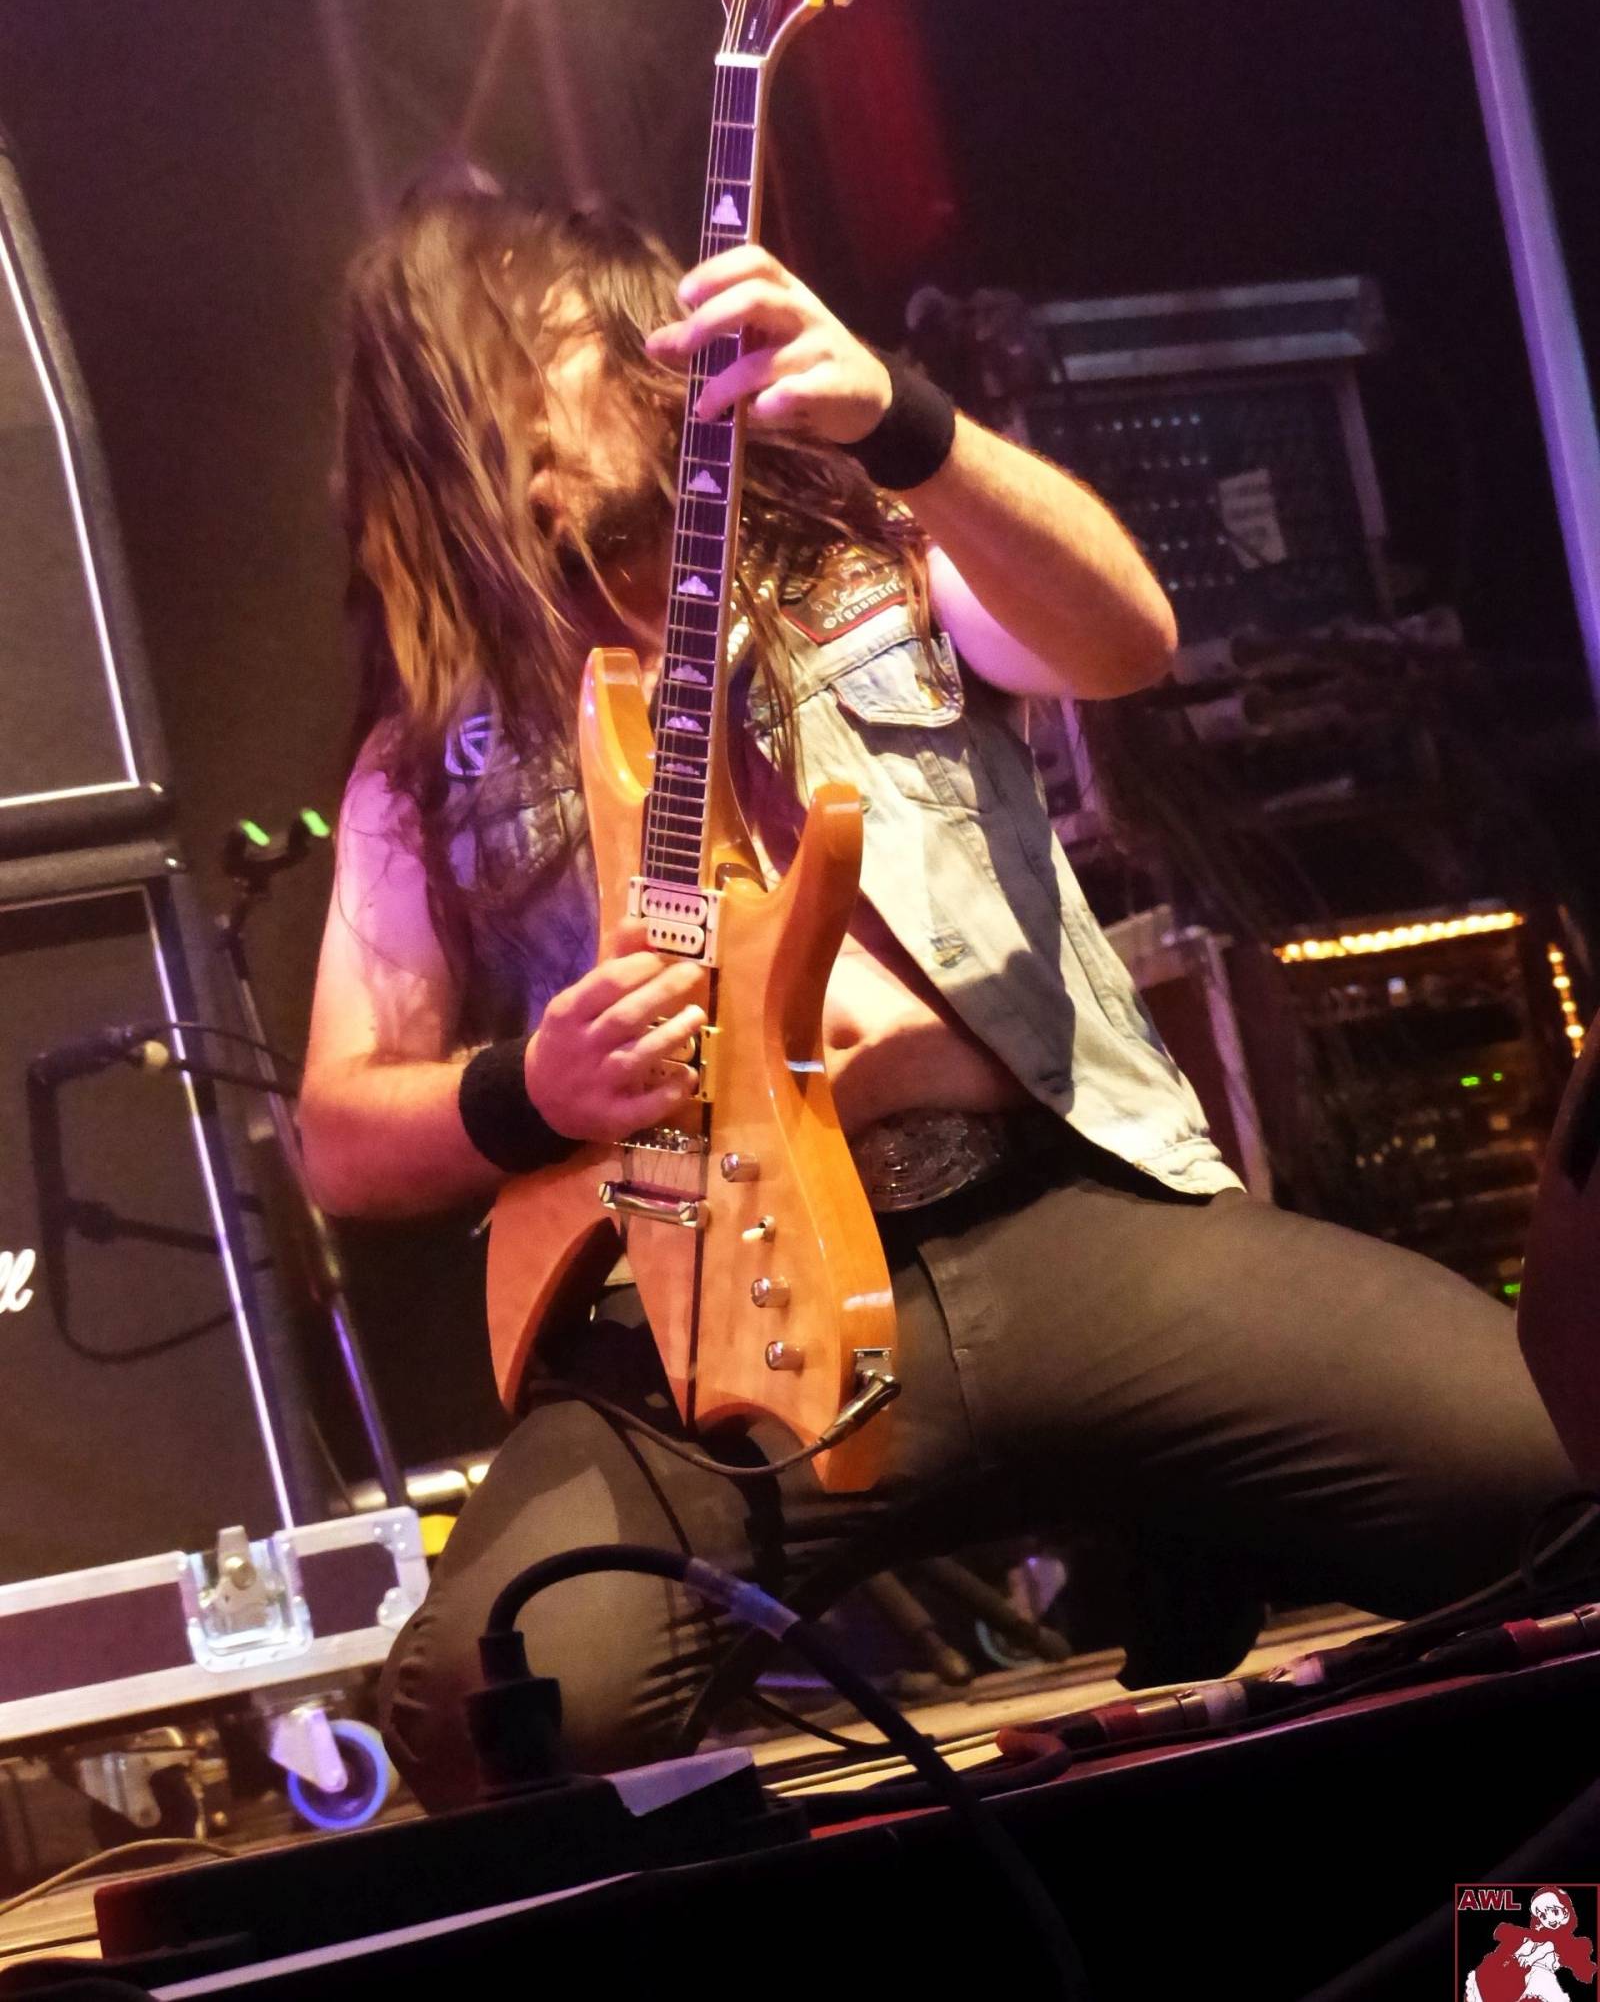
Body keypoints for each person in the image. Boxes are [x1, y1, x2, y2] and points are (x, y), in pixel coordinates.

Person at [298, 173, 1578, 1814]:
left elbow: (1126, 639)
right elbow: (343, 1129)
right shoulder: (425, 760)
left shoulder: (869, 548)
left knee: (1554, 1478)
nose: (598, 380)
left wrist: (907, 424)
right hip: (715, 1323)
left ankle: (1193, 1527)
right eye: (538, 355)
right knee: (494, 1714)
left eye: (606, 337)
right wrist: (526, 1092)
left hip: (1050, 1216)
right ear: (451, 424)